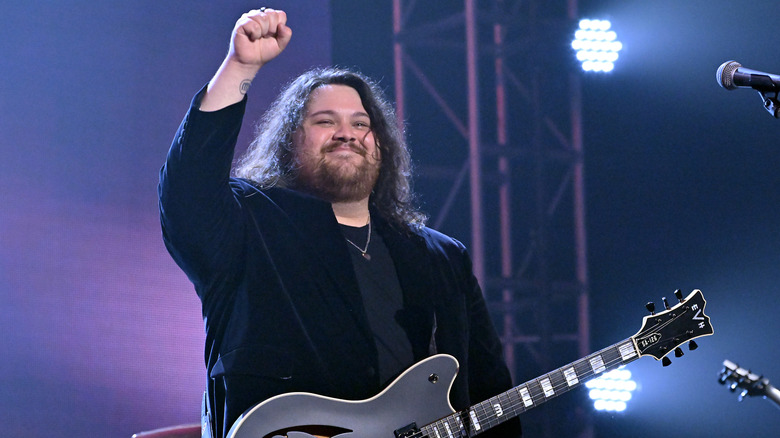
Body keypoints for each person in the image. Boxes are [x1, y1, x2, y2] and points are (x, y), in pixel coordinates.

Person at [159, 7, 521, 438]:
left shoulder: (440, 257)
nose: (346, 133)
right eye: (324, 122)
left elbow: (487, 389)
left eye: (361, 123)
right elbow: (188, 191)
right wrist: (241, 66)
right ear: (289, 143)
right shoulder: (250, 226)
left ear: (381, 148)